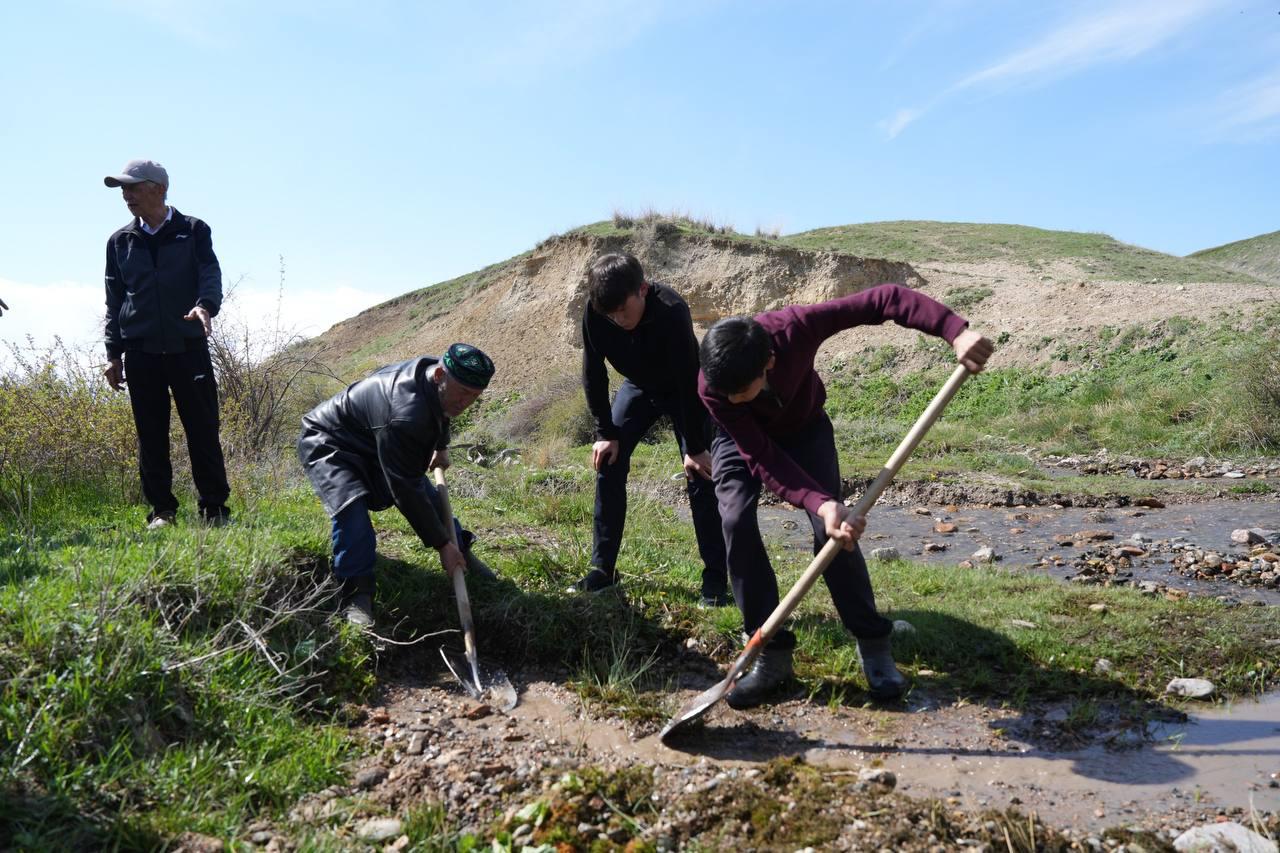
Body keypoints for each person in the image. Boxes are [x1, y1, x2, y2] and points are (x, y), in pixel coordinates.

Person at [698, 283, 993, 707]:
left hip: (804, 428)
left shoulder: (796, 328)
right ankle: (770, 656)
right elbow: (761, 456)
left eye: (739, 392)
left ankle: (873, 645)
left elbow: (885, 298)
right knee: (735, 521)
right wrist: (818, 500)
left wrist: (955, 331)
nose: (729, 398)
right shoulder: (715, 386)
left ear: (769, 363)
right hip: (740, 440)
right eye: (724, 392)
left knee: (833, 534)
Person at [297, 344, 497, 627]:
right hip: (330, 440)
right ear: (440, 375)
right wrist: (441, 545)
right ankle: (357, 595)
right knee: (352, 511)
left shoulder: (435, 377)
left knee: (431, 498)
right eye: (463, 392)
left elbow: (443, 409)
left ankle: (462, 551)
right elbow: (404, 489)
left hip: (373, 437)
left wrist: (440, 446)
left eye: (475, 396)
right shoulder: (405, 412)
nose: (466, 402)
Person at [573, 253, 730, 607]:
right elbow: (593, 371)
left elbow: (689, 379)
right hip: (638, 387)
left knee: (700, 472)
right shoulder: (596, 312)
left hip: (684, 389)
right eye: (610, 315)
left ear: (642, 289)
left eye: (623, 311)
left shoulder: (672, 310)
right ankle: (602, 569)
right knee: (608, 461)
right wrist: (604, 432)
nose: (618, 320)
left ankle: (715, 579)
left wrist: (695, 446)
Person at [102, 159, 231, 529]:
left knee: (202, 431)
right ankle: (162, 511)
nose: (126, 196)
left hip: (187, 347)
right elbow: (114, 301)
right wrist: (113, 354)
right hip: (141, 351)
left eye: (133, 187)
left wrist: (205, 305)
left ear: (158, 189)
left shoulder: (193, 230)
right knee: (151, 436)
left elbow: (210, 273)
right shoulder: (120, 241)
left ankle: (214, 510)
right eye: (123, 189)